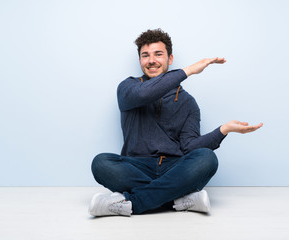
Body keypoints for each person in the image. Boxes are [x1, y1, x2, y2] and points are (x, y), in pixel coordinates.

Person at [89, 29, 263, 217]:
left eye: (158, 54)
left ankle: (132, 202)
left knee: (206, 158)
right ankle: (178, 199)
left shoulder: (188, 102)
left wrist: (224, 130)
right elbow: (144, 94)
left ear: (170, 59)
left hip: (174, 168)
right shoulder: (128, 87)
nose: (151, 60)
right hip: (137, 167)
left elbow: (189, 147)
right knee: (101, 163)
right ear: (140, 60)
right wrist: (188, 71)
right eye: (145, 55)